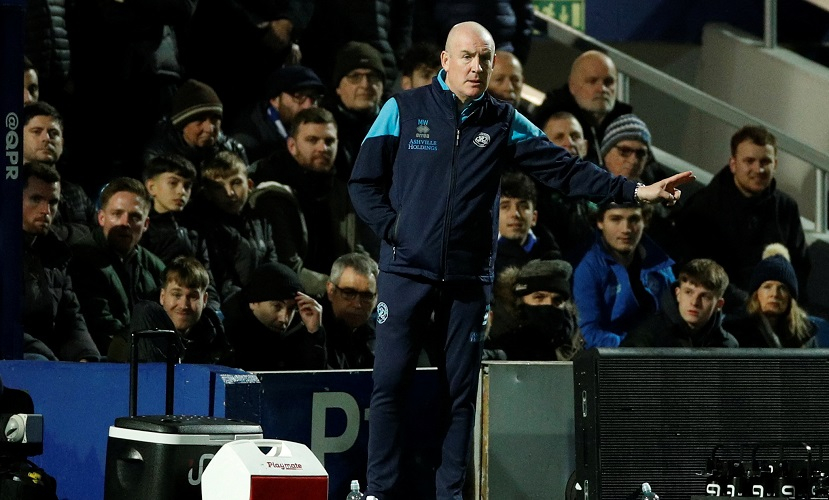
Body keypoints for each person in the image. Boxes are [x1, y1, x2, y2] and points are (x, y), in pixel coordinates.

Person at [347, 21, 692, 500]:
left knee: (460, 396)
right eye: (466, 56)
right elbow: (362, 183)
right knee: (389, 388)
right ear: (445, 61)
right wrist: (395, 230)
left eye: (485, 59)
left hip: (468, 281)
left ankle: (450, 495)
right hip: (406, 274)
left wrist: (635, 191)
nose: (476, 67)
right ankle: (379, 493)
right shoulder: (402, 109)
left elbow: (566, 170)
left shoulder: (503, 120)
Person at [672, 125, 810, 313]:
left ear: (775, 165)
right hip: (721, 311)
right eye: (749, 161)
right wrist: (749, 305)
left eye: (765, 161)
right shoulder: (703, 207)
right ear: (733, 164)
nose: (759, 169)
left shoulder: (786, 207)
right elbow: (698, 271)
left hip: (777, 310)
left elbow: (800, 267)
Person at [250, 107, 355, 274]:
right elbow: (288, 267)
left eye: (329, 141)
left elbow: (357, 249)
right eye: (312, 140)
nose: (323, 148)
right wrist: (339, 286)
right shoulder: (272, 192)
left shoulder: (341, 190)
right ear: (292, 146)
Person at [69, 177, 166, 355]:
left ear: (146, 224)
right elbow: (101, 327)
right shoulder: (83, 260)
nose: (125, 223)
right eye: (116, 214)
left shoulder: (154, 265)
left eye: (135, 217)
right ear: (101, 217)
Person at [21, 162, 100, 362]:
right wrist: (48, 357)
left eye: (53, 202)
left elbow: (70, 317)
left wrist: (86, 355)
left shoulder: (55, 253)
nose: (46, 210)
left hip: (47, 357)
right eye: (36, 199)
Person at [573, 203, 676, 348]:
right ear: (600, 222)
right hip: (612, 355)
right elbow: (588, 332)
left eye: (634, 219)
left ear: (645, 221)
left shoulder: (660, 263)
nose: (626, 229)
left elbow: (674, 318)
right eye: (615, 219)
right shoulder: (588, 269)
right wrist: (632, 347)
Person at [189, 151, 278, 304]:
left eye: (236, 183)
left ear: (249, 185)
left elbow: (273, 266)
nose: (229, 193)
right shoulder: (205, 229)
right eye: (218, 187)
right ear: (208, 193)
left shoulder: (260, 220)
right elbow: (222, 281)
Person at [115, 256, 233, 363]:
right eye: (177, 295)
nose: (183, 305)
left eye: (193, 296)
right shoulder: (128, 343)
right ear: (162, 297)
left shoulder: (218, 343)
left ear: (205, 300)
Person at [140, 154, 220, 311]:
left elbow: (206, 277)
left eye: (187, 186)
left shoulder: (195, 228)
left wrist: (213, 309)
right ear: (151, 187)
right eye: (173, 183)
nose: (181, 191)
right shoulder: (142, 229)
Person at [223, 262, 326, 371]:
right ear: (253, 303)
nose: (284, 319)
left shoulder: (299, 329)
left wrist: (315, 333)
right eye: (277, 306)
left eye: (291, 308)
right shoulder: (229, 337)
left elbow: (314, 378)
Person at [532, 50, 631, 164]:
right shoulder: (549, 119)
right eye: (592, 81)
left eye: (609, 82)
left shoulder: (625, 122)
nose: (602, 89)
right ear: (572, 86)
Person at [724, 244, 829, 348]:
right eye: (767, 287)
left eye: (782, 288)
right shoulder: (735, 331)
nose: (774, 294)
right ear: (756, 293)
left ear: (791, 297)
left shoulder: (804, 333)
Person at [622, 259, 739, 348]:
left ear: (719, 304)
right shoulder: (646, 337)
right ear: (678, 294)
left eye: (704, 296)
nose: (694, 302)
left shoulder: (728, 346)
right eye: (688, 292)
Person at [22, 102, 96, 241]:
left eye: (53, 133)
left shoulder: (76, 193)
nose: (46, 138)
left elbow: (100, 235)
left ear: (62, 142)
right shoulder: (9, 188)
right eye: (37, 131)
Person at [487, 259, 583, 361]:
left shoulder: (576, 350)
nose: (548, 304)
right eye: (539, 297)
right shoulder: (497, 350)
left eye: (557, 300)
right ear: (520, 301)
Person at [227, 65, 326, 163]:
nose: (308, 106)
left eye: (314, 98)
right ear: (275, 99)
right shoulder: (248, 140)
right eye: (298, 96)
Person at [144, 79, 248, 170]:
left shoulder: (233, 150)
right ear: (182, 125)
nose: (210, 128)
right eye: (200, 120)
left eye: (215, 118)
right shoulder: (159, 156)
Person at [325, 42, 386, 182]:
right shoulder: (322, 129)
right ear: (338, 87)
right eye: (355, 77)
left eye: (372, 76)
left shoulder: (400, 124)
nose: (365, 84)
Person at [495, 170, 560, 274]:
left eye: (523, 206)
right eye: (505, 206)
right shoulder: (480, 260)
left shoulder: (552, 258)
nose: (515, 213)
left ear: (534, 217)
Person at [323, 253, 379, 370]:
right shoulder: (311, 332)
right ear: (331, 291)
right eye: (349, 293)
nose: (358, 304)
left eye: (367, 296)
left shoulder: (381, 334)